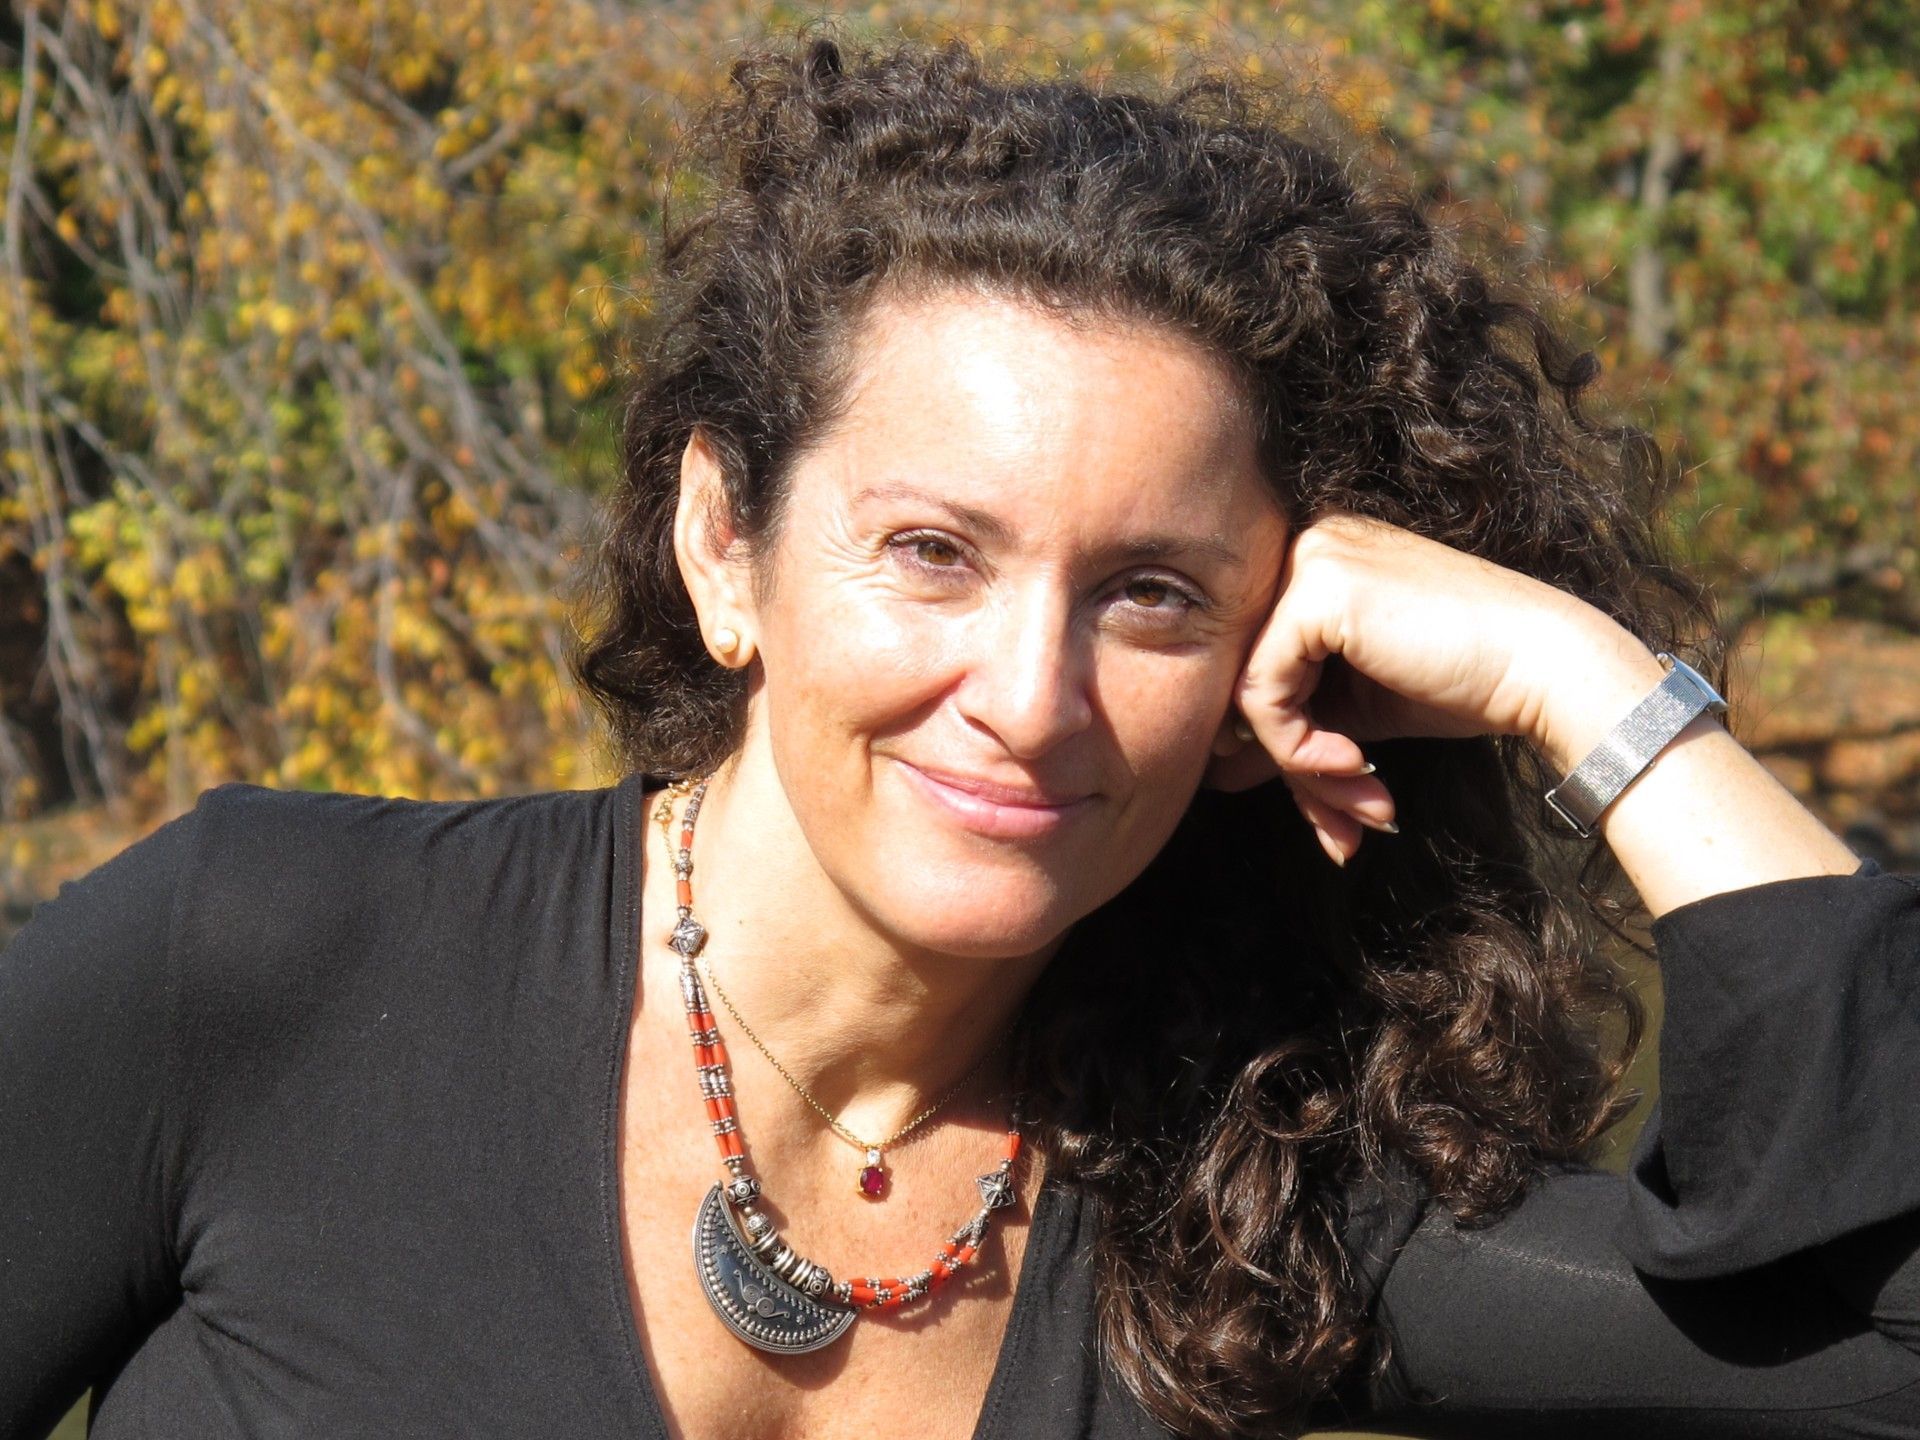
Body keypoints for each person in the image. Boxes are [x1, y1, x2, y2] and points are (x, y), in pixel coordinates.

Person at [4, 30, 1918, 1440]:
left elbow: (1883, 1351)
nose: (1030, 692)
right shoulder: (251, 964)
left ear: (1273, 664)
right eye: (931, 551)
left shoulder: (1254, 1197)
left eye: (1154, 593)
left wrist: (1589, 688)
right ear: (722, 546)